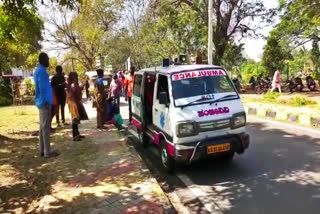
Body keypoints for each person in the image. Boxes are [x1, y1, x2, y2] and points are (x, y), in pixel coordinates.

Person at [34, 52, 59, 158]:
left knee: (42, 127)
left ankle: (42, 150)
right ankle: (47, 152)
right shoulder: (42, 72)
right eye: (47, 59)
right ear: (43, 60)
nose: (49, 61)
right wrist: (47, 102)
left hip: (41, 101)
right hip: (44, 102)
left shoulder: (38, 70)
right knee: (45, 128)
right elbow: (43, 88)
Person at [66, 72, 89, 141]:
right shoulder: (73, 84)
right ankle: (75, 136)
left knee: (76, 118)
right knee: (75, 119)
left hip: (74, 102)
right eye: (76, 76)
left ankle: (77, 134)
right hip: (73, 103)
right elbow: (75, 92)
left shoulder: (73, 84)